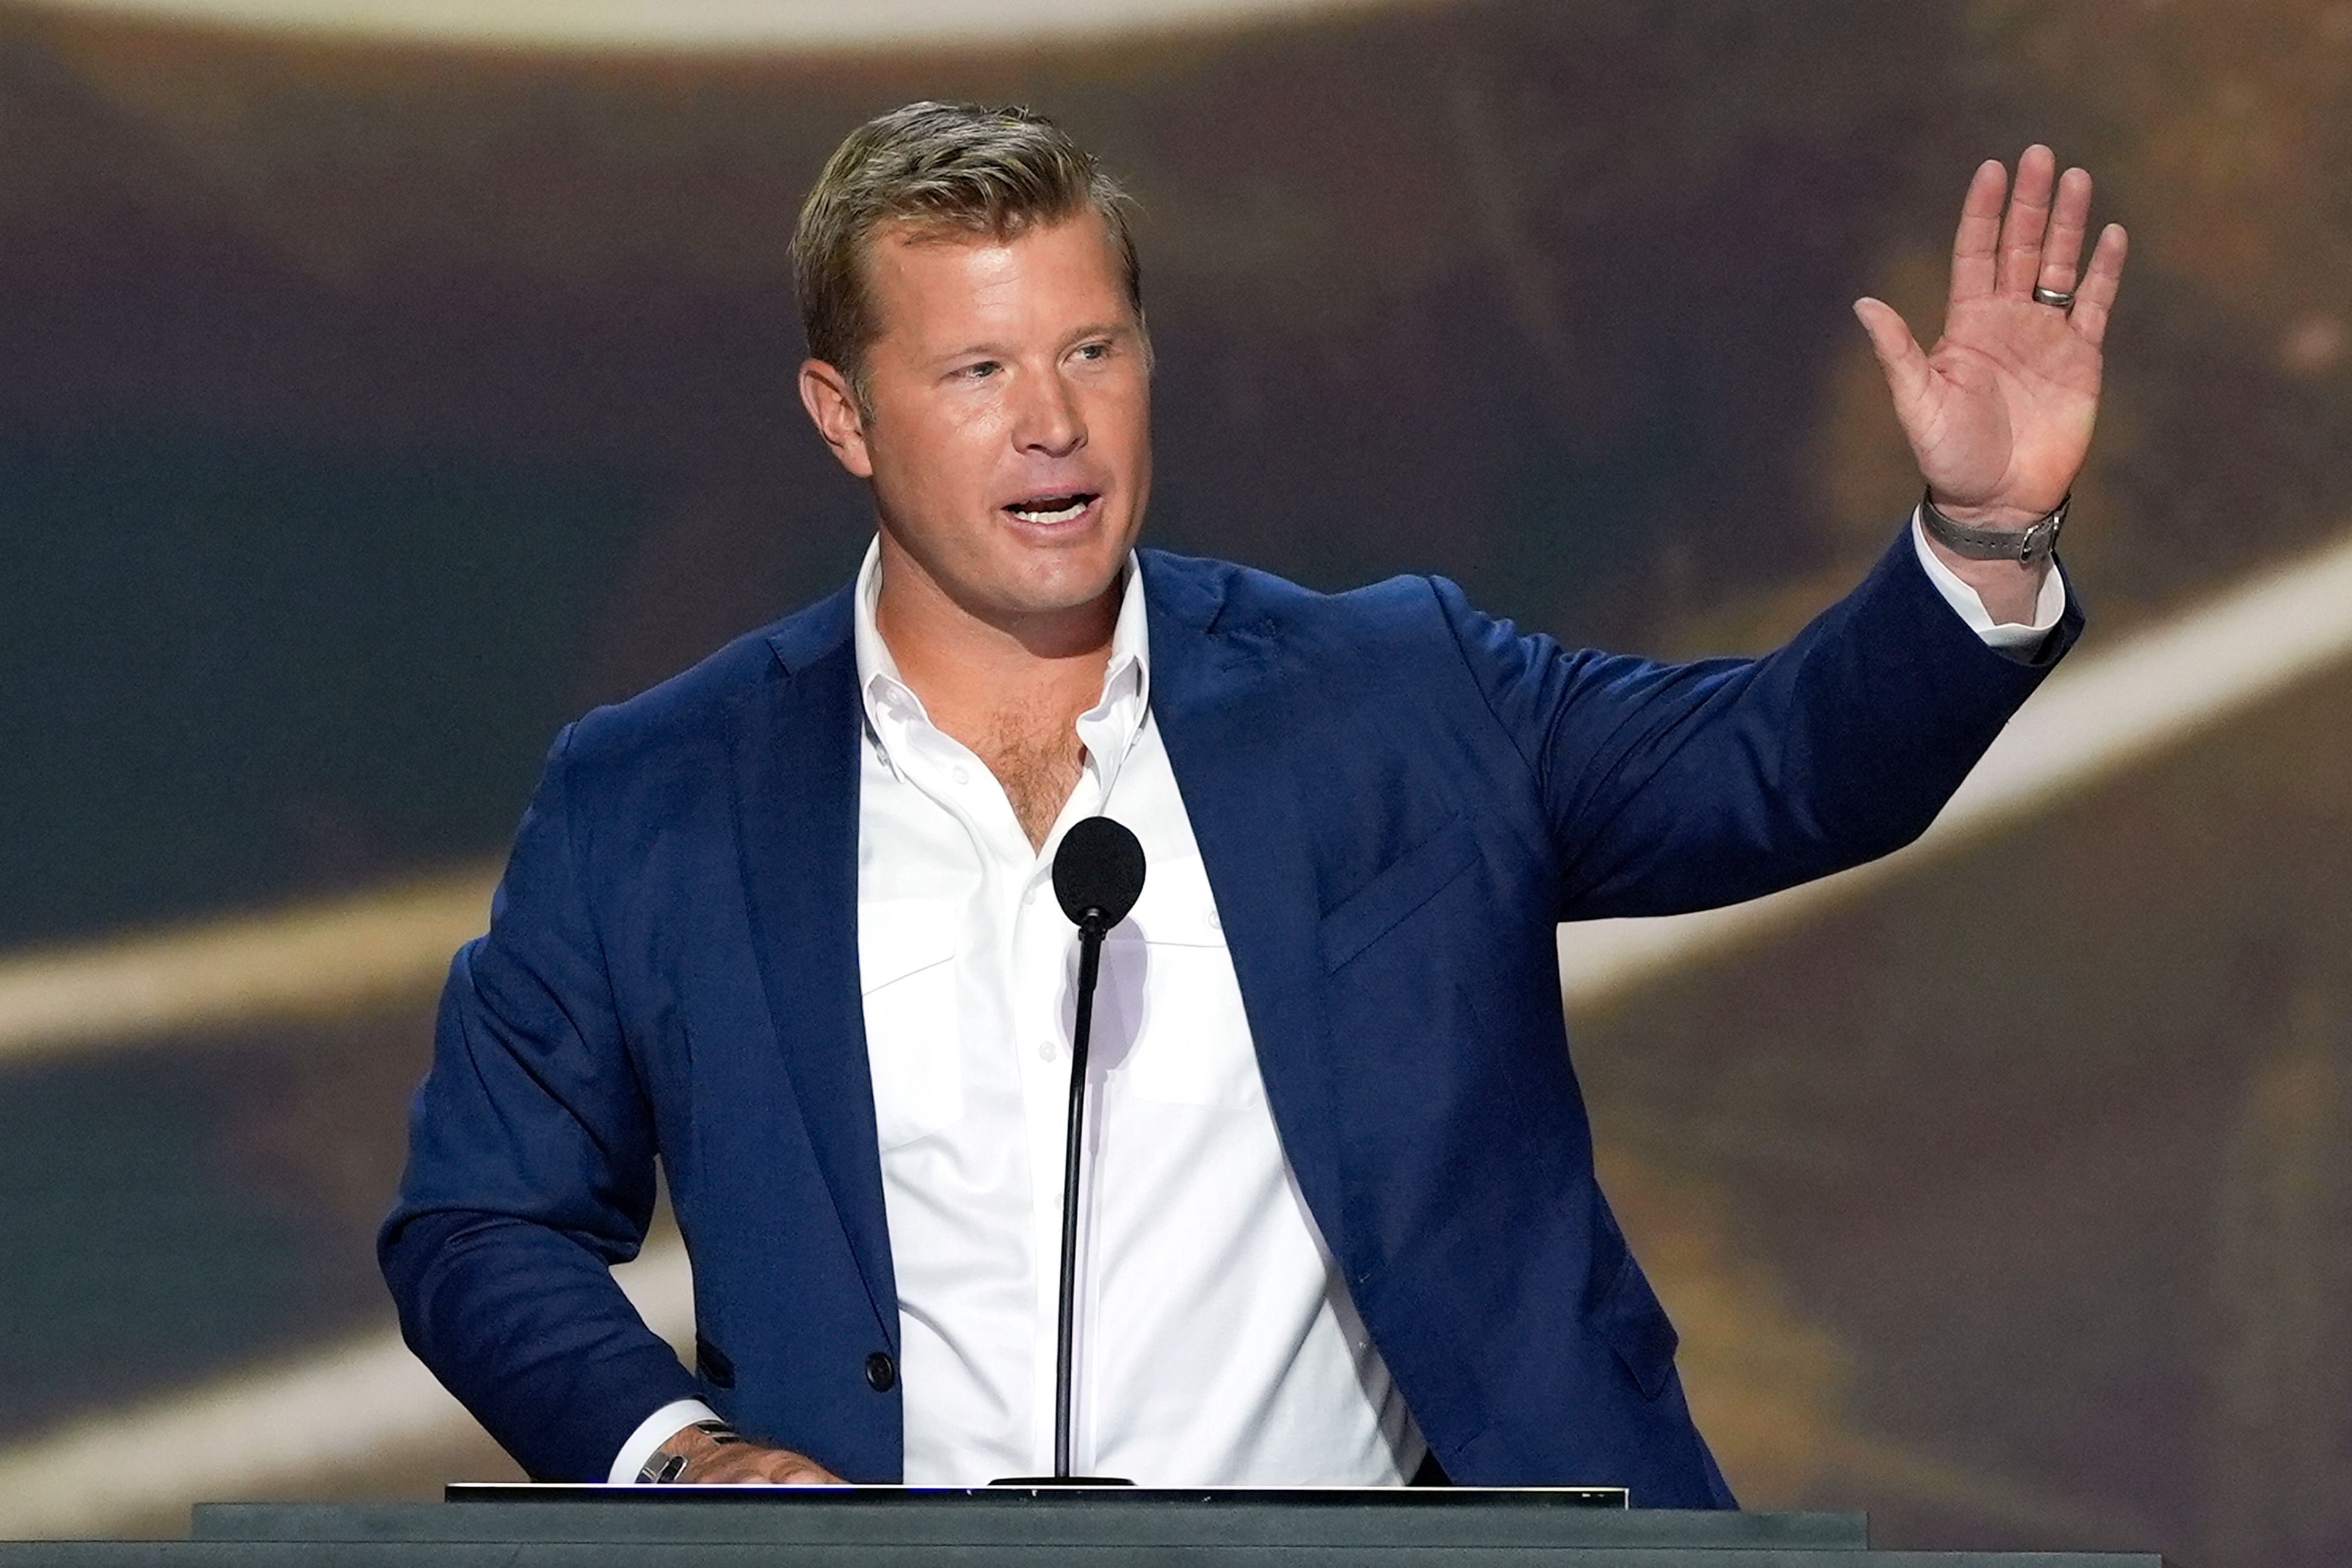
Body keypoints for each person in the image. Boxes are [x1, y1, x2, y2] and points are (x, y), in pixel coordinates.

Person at [380, 101, 2125, 1504]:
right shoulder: (664, 793)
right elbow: (480, 1222)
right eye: (978, 373)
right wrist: (681, 1455)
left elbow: (1784, 769)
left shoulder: (1394, 694)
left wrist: (1979, 538)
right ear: (844, 414)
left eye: (1094, 351)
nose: (1052, 425)